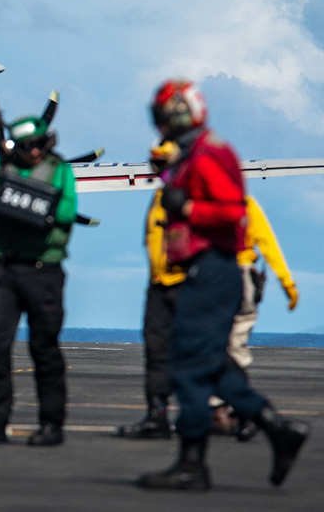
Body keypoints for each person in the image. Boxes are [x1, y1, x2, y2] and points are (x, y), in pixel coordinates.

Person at [137, 80, 309, 490]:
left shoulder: (207, 153)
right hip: (208, 270)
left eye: (161, 120)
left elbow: (233, 211)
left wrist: (190, 206)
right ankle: (276, 428)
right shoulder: (197, 152)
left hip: (212, 270)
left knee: (188, 368)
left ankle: (193, 464)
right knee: (211, 365)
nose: (159, 129)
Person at [0, 112, 77, 447]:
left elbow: (66, 212)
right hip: (5, 271)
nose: (32, 152)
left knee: (45, 349)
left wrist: (30, 202)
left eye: (36, 145)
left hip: (42, 270)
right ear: (13, 145)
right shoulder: (0, 170)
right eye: (24, 146)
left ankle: (52, 425)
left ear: (46, 143)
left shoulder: (60, 171)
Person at [209, 195, 298, 439]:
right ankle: (242, 412)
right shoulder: (245, 204)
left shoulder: (198, 203)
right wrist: (287, 282)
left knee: (210, 346)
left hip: (212, 276)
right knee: (235, 346)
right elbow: (268, 242)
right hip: (242, 275)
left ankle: (222, 409)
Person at [117, 141, 185, 440]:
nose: (157, 170)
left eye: (162, 163)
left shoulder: (195, 191)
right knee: (155, 352)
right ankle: (156, 416)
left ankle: (253, 416)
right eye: (155, 164)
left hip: (188, 284)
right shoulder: (162, 193)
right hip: (159, 284)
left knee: (206, 353)